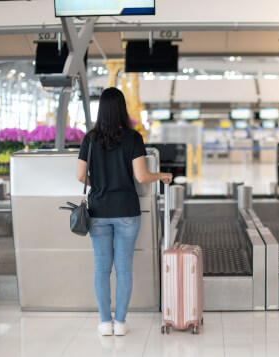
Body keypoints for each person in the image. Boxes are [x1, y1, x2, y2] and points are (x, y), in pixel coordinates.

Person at [77, 87, 172, 336]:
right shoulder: (133, 138)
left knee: (101, 268)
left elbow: (79, 176)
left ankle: (104, 323)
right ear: (122, 109)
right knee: (124, 268)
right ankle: (120, 323)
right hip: (127, 211)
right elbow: (141, 176)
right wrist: (161, 175)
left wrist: (98, 184)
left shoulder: (89, 139)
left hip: (98, 211)